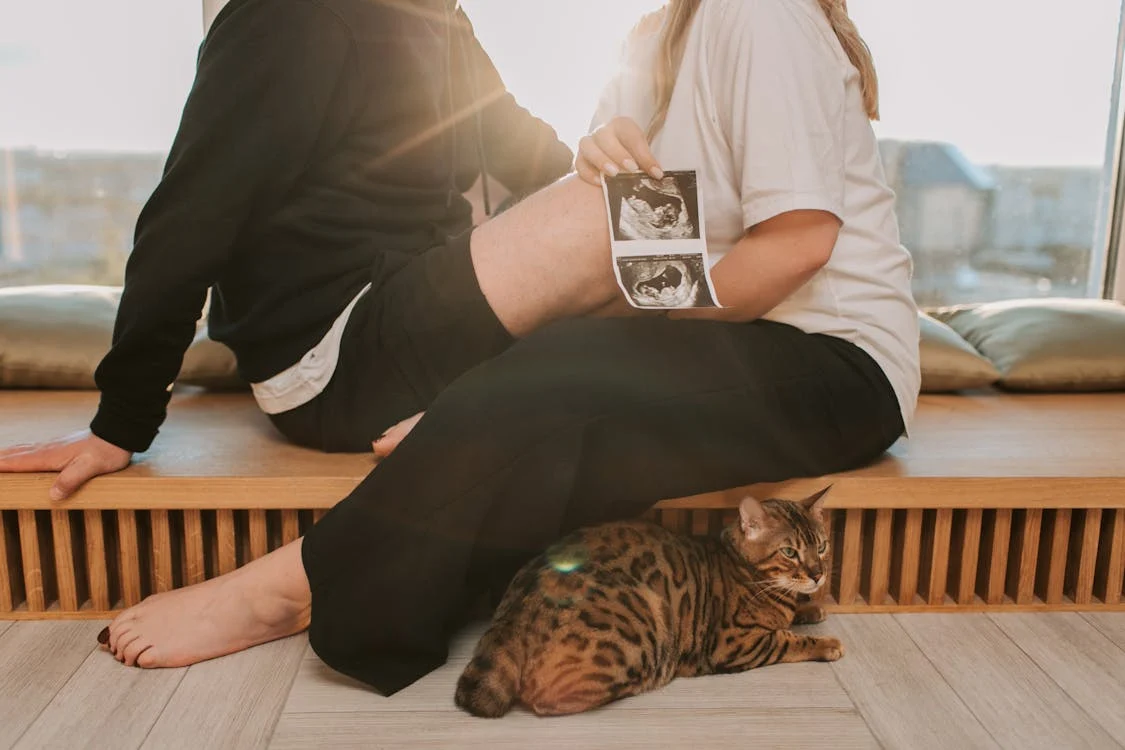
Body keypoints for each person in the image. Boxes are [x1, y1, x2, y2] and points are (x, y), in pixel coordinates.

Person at [0, 0, 919, 697]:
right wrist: (121, 419)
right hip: (337, 350)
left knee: (586, 321)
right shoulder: (290, 15)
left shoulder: (450, 15)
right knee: (603, 267)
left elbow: (538, 161)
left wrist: (508, 369)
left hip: (805, 348)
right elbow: (189, 210)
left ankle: (297, 582)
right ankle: (414, 489)